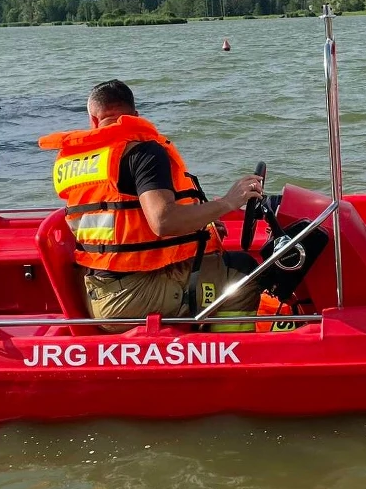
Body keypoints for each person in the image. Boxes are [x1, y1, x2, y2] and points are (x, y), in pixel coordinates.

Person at [38, 80, 264, 332]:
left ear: (93, 119)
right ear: (135, 114)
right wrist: (228, 202)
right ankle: (227, 355)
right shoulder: (142, 152)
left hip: (97, 289)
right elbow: (163, 221)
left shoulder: (78, 159)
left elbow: (120, 219)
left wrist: (199, 223)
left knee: (221, 262)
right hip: (131, 296)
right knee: (243, 272)